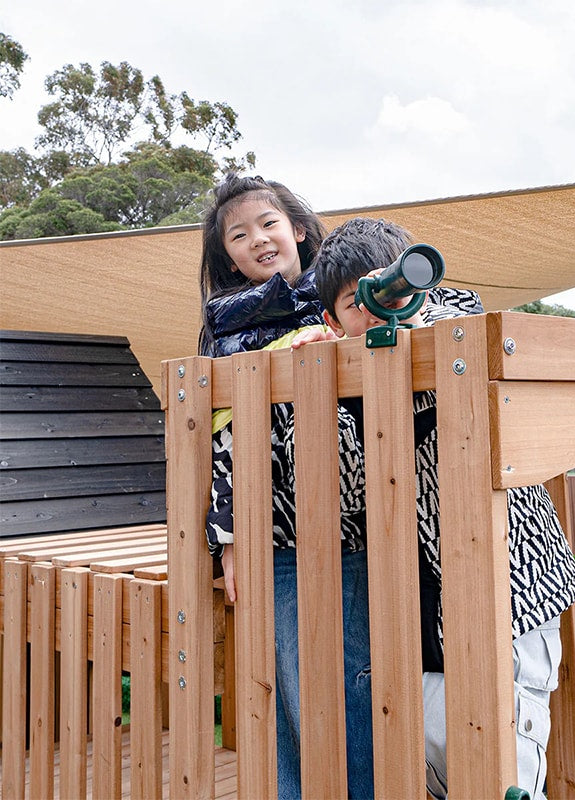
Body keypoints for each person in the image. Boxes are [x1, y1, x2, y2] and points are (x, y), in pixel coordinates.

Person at [300, 216, 575, 800]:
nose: (378, 310)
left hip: (510, 598)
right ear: (331, 321)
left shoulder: (460, 329)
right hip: (422, 614)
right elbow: (347, 488)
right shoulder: (344, 381)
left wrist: (413, 314)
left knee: (505, 763)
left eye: (390, 290)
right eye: (357, 302)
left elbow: (462, 325)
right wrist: (325, 385)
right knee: (437, 758)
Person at [199, 174, 374, 799]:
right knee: (289, 689)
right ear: (229, 256)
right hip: (274, 533)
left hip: (356, 525)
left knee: (358, 682)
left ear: (297, 228)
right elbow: (218, 443)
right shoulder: (226, 332)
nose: (258, 239)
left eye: (267, 224)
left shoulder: (348, 300)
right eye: (239, 236)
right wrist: (230, 541)